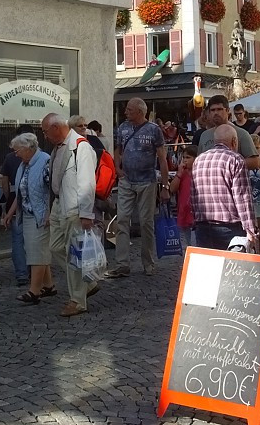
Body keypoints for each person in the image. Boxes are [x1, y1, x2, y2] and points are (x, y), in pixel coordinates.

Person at [41, 113, 98, 316]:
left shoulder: (81, 147)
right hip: (59, 204)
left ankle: (78, 300)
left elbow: (87, 183)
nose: (45, 136)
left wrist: (86, 213)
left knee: (74, 254)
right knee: (55, 247)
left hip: (74, 207)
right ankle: (88, 283)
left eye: (46, 131)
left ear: (56, 128)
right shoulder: (59, 147)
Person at [106, 98, 169, 279]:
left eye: (129, 110)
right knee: (123, 220)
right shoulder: (123, 128)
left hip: (147, 181)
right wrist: (118, 169)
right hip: (127, 181)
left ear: (140, 112)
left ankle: (148, 262)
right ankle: (122, 264)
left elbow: (162, 158)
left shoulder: (154, 130)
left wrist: (164, 186)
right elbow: (118, 150)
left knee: (146, 222)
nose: (125, 112)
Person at [1, 132, 53, 304]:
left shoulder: (44, 161)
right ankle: (49, 285)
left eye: (18, 151)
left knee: (36, 253)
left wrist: (49, 213)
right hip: (28, 213)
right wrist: (10, 213)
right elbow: (21, 193)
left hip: (40, 214)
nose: (16, 154)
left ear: (28, 148)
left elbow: (52, 190)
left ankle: (34, 291)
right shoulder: (26, 164)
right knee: (36, 250)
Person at [190, 124, 259, 250]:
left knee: (208, 268)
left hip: (203, 225)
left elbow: (194, 195)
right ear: (234, 141)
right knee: (232, 268)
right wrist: (250, 229)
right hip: (230, 227)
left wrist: (196, 221)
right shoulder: (235, 159)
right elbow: (242, 197)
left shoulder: (199, 160)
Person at [0, 125, 34, 287]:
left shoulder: (9, 158)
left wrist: (7, 197)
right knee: (31, 240)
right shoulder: (29, 158)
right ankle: (34, 271)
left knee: (18, 239)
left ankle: (22, 273)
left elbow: (5, 180)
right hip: (25, 202)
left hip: (15, 198)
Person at [199, 96, 260, 170]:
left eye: (219, 109)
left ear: (227, 110)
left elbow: (255, 161)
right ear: (209, 113)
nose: (216, 113)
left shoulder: (241, 134)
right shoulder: (205, 135)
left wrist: (229, 166)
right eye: (213, 110)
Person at [169, 145, 199, 249]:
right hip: (184, 211)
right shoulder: (183, 174)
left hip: (196, 213)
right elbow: (172, 189)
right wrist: (179, 173)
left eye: (188, 158)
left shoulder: (199, 173)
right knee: (187, 243)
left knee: (196, 243)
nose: (185, 160)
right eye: (184, 158)